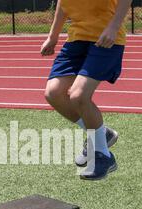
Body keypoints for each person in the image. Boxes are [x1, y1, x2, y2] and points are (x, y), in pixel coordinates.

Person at [41, 0, 132, 180]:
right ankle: (101, 133)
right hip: (77, 39)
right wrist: (53, 36)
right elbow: (63, 3)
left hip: (106, 38)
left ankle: (104, 157)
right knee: (53, 93)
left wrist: (114, 27)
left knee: (78, 95)